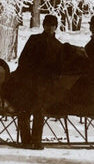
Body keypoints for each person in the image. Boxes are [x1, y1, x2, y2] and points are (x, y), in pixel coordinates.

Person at [14, 14, 63, 149]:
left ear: (56, 27)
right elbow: (23, 59)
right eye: (47, 24)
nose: (49, 27)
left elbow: (58, 68)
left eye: (52, 25)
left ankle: (36, 141)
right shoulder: (34, 39)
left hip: (45, 84)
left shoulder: (58, 46)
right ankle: (25, 140)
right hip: (29, 81)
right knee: (24, 109)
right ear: (43, 25)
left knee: (39, 111)